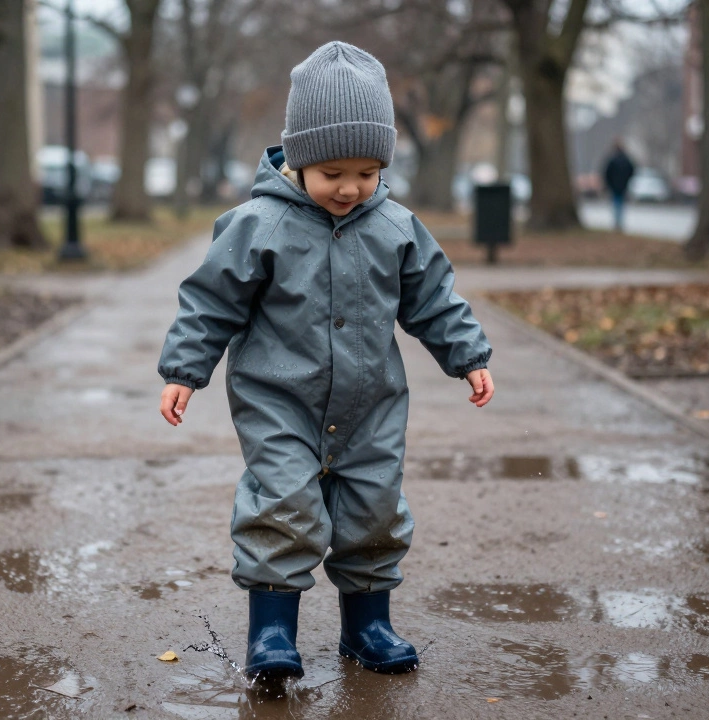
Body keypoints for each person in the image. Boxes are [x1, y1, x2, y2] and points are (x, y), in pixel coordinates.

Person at [156, 41, 494, 681]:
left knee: (374, 508)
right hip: (279, 402)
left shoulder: (395, 225)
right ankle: (272, 634)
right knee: (281, 504)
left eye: (367, 172)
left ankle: (367, 625)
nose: (350, 187)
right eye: (333, 172)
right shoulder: (258, 225)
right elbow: (210, 302)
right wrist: (183, 370)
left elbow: (434, 298)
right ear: (301, 158)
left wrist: (468, 355)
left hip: (371, 405)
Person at [603, 142, 636, 233]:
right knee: (621, 204)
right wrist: (627, 180)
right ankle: (619, 222)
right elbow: (632, 170)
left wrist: (609, 183)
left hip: (614, 186)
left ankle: (617, 222)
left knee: (616, 204)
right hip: (623, 185)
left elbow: (607, 173)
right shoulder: (626, 159)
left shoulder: (613, 159)